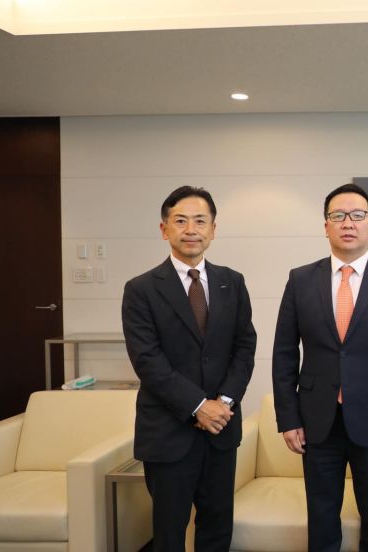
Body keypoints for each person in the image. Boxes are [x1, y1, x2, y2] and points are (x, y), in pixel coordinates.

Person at [272, 183, 368, 552]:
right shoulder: (300, 279)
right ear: (326, 226)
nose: (347, 223)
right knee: (322, 516)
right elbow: (284, 355)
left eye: (357, 215)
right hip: (316, 421)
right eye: (337, 215)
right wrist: (288, 418)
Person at [122, 185, 256, 552]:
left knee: (217, 526)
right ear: (164, 229)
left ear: (213, 229)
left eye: (200, 221)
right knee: (169, 533)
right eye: (180, 221)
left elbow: (245, 347)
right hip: (168, 432)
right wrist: (198, 406)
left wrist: (223, 403)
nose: (191, 229)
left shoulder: (233, 281)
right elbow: (147, 360)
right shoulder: (141, 289)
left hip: (221, 430)